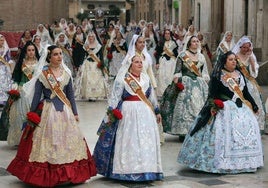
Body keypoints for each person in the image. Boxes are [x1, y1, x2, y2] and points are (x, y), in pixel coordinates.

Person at [7, 45, 96, 187]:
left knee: (68, 140)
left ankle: (69, 172)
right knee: (48, 141)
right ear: (49, 57)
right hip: (48, 110)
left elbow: (71, 95)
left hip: (65, 112)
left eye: (60, 54)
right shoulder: (43, 74)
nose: (59, 56)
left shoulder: (66, 74)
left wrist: (75, 112)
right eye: (56, 54)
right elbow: (37, 95)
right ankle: (48, 173)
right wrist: (32, 113)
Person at [178, 51, 263, 173]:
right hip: (225, 108)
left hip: (242, 109)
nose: (234, 61)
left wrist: (254, 105)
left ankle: (246, 161)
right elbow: (213, 94)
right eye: (230, 59)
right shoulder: (218, 75)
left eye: (235, 59)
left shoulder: (239, 74)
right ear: (224, 62)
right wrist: (215, 105)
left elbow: (246, 93)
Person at [93, 55, 163, 181]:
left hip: (146, 114)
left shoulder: (146, 78)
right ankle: (126, 171)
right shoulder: (123, 80)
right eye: (136, 62)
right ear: (130, 65)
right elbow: (115, 98)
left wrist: (157, 111)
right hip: (128, 114)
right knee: (129, 139)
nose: (140, 64)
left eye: (141, 62)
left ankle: (147, 169)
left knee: (145, 141)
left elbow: (151, 97)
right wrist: (111, 114)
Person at [160, 35, 210, 140]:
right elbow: (177, 72)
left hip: (198, 83)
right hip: (186, 82)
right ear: (189, 43)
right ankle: (183, 131)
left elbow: (204, 72)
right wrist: (177, 84)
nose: (196, 43)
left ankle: (198, 129)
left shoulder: (201, 57)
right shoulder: (183, 55)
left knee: (200, 106)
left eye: (197, 41)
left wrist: (205, 82)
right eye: (193, 41)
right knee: (185, 106)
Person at [6, 41, 40, 146]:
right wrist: (15, 86)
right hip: (23, 90)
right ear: (25, 51)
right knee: (20, 116)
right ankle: (21, 140)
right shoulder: (22, 62)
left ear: (35, 51)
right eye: (29, 50)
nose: (31, 52)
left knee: (34, 115)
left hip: (35, 91)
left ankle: (32, 140)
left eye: (33, 50)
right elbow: (17, 76)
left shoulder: (39, 63)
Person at [232, 36, 265, 133]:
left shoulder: (251, 56)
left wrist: (251, 61)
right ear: (240, 47)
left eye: (248, 47)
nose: (246, 49)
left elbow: (254, 72)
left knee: (253, 100)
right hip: (237, 81)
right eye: (244, 47)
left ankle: (255, 125)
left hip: (249, 81)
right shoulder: (235, 55)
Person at [74, 31, 108, 101]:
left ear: (95, 38)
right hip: (87, 64)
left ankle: (96, 95)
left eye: (92, 37)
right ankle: (88, 95)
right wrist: (80, 65)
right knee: (87, 79)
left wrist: (102, 65)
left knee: (97, 79)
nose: (91, 38)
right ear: (88, 38)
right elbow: (82, 56)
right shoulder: (85, 47)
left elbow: (101, 57)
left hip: (96, 64)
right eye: (89, 37)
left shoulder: (98, 46)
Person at [155, 29, 179, 97]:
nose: (167, 35)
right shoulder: (161, 42)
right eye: (166, 33)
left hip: (172, 62)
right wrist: (157, 63)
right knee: (162, 77)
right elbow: (157, 54)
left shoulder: (173, 43)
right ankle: (162, 93)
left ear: (170, 34)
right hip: (163, 62)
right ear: (164, 35)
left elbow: (176, 54)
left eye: (168, 33)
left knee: (170, 77)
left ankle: (170, 93)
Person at [0, 34, 14, 107]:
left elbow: (9, 60)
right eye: (0, 40)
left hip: (5, 69)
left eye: (2, 40)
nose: (1, 42)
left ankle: (5, 100)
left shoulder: (6, 49)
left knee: (5, 84)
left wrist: (11, 70)